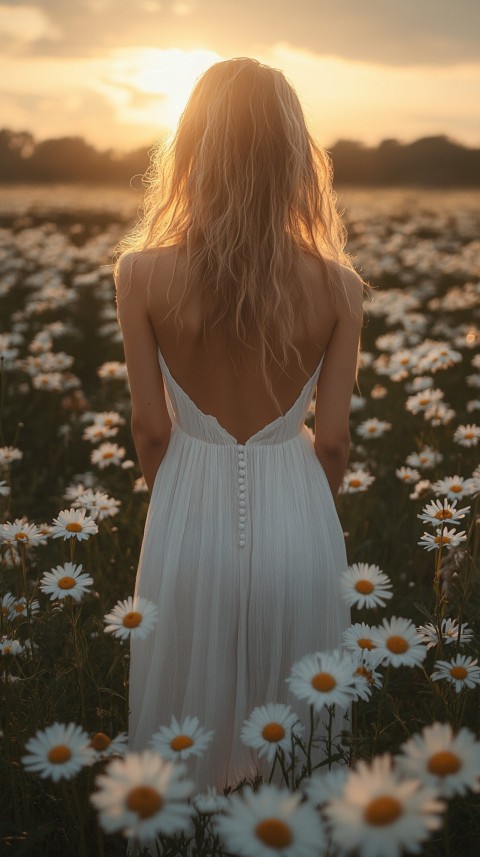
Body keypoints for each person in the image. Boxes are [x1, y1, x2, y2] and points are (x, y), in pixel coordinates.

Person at [115, 57, 364, 801]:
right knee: (299, 730)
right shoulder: (340, 286)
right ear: (294, 158)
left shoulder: (141, 274)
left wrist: (190, 506)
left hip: (188, 509)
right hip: (300, 514)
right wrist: (299, 514)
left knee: (186, 722)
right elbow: (334, 441)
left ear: (192, 149)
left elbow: (151, 430)